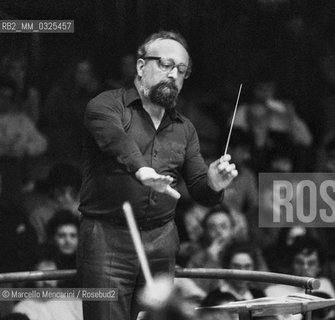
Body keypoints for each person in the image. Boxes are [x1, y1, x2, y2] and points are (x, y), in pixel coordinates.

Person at [78, 31, 238, 320]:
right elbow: (116, 139)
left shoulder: (184, 128)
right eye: (165, 64)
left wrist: (214, 183)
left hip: (162, 238)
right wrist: (141, 169)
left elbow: (200, 189)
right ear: (141, 67)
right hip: (107, 236)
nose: (173, 74)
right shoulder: (106, 105)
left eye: (181, 70)